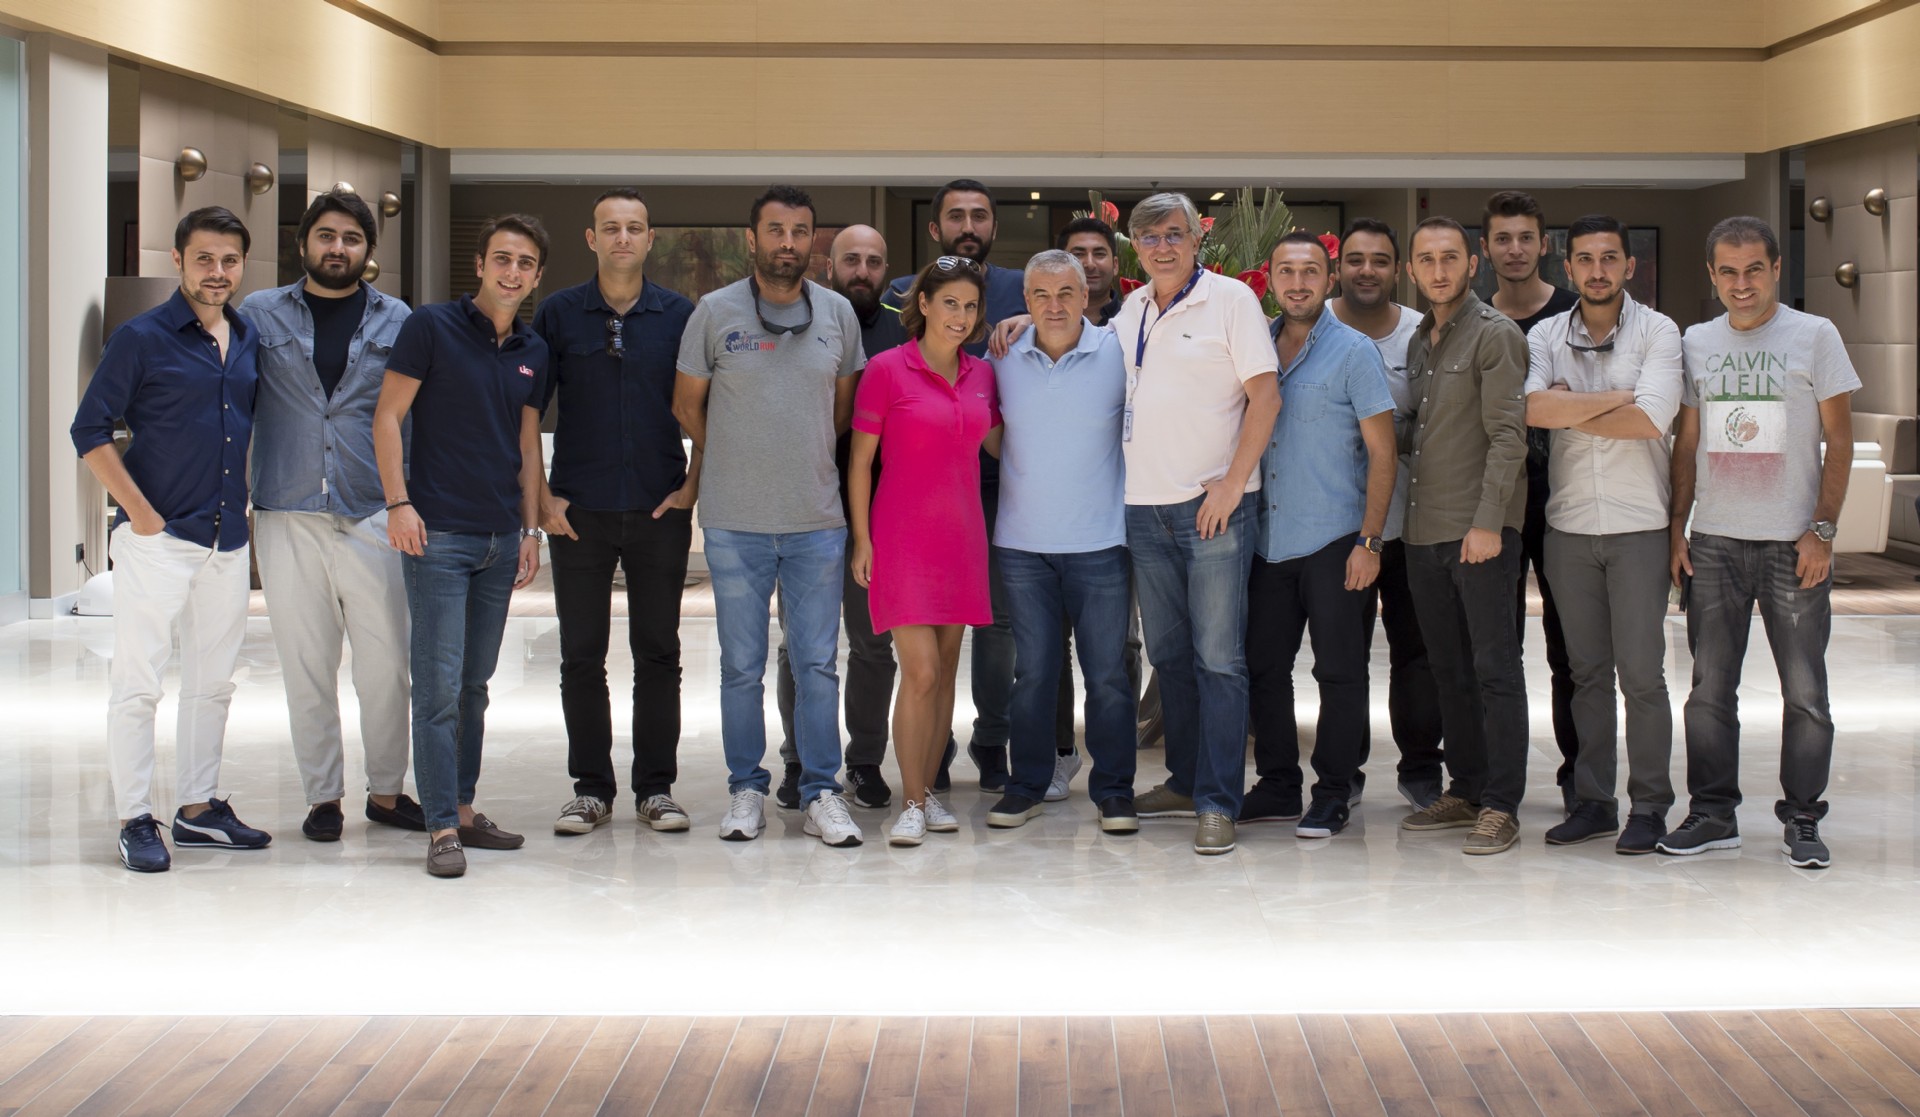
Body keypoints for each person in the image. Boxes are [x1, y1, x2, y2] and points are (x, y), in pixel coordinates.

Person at [72, 206, 269, 872]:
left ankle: (197, 810)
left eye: (230, 261)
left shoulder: (247, 336)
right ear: (179, 260)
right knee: (139, 685)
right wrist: (140, 513)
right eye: (204, 258)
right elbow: (89, 430)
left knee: (213, 684)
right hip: (158, 539)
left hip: (227, 538)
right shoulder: (141, 338)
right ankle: (134, 817)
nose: (218, 272)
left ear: (242, 266)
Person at [1663, 216, 1859, 869]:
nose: (1741, 283)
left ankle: (1802, 817)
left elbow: (1840, 440)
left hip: (1792, 545)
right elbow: (1687, 443)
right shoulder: (1696, 341)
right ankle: (1713, 813)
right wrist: (1678, 528)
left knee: (1805, 693)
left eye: (1754, 269)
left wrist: (1822, 531)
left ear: (1776, 269)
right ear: (1712, 275)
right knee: (1708, 691)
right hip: (1715, 543)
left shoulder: (1815, 335)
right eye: (1728, 271)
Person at [672, 185, 866, 848]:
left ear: (813, 241)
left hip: (817, 519)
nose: (788, 242)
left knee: (817, 664)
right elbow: (686, 404)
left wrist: (794, 453)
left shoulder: (838, 312)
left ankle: (820, 792)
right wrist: (736, 453)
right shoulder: (714, 311)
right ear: (751, 239)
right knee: (741, 666)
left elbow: (841, 409)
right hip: (735, 521)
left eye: (800, 231)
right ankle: (746, 789)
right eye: (776, 230)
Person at [374, 214, 551, 878]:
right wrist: (399, 503)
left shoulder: (534, 349)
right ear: (479, 265)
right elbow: (387, 416)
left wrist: (530, 530)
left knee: (474, 685)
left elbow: (527, 446)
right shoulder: (431, 327)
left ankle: (465, 808)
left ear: (537, 275)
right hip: (439, 536)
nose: (512, 272)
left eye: (525, 263)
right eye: (502, 258)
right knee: (438, 689)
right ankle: (440, 825)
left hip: (501, 538)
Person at [242, 189, 421, 844]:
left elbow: (411, 418)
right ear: (303, 244)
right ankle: (322, 797)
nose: (337, 248)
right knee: (306, 664)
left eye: (351, 238)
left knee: (387, 664)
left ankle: (387, 791)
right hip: (287, 509)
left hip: (373, 509)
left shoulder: (398, 319)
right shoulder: (259, 314)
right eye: (326, 235)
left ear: (368, 250)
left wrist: (409, 501)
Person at [1113, 192, 1280, 856]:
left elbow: (1266, 396)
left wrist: (1234, 483)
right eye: (1149, 237)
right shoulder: (1131, 309)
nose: (1162, 247)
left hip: (1213, 511)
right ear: (1135, 247)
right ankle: (1184, 782)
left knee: (1219, 659)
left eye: (1174, 234)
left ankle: (1217, 800)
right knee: (1171, 657)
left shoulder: (1231, 300)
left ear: (1195, 240)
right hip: (1142, 510)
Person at [533, 188, 698, 837]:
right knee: (581, 655)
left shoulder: (680, 315)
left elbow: (706, 408)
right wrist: (540, 496)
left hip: (659, 506)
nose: (622, 237)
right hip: (579, 509)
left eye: (633, 228)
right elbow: (527, 411)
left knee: (658, 652)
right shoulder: (559, 313)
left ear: (650, 239)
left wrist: (692, 486)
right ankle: (591, 790)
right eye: (611, 228)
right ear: (591, 238)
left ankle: (656, 789)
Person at [1524, 214, 1684, 854]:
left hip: (1639, 525)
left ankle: (1649, 806)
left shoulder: (1659, 331)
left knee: (1642, 676)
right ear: (1568, 268)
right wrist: (1619, 397)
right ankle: (1594, 802)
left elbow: (1651, 421)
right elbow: (1532, 408)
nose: (1597, 271)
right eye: (1585, 260)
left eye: (1609, 258)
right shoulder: (1544, 334)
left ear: (1628, 266)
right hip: (1567, 529)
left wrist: (1573, 406)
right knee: (1586, 673)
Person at [883, 179, 1045, 795]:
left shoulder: (1020, 288)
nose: (968, 225)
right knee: (922, 643)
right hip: (922, 492)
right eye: (956, 216)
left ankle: (992, 742)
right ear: (935, 229)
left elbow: (1066, 320)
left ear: (994, 227)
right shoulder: (905, 292)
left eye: (980, 215)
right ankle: (929, 756)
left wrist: (1030, 316)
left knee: (997, 627)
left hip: (1000, 486)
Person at [1241, 232, 1397, 839]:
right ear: (1270, 280)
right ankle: (1278, 784)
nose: (1298, 283)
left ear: (1329, 280)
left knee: (1339, 672)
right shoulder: (1253, 345)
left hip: (1336, 539)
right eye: (1287, 272)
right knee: (1264, 669)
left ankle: (1334, 790)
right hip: (1266, 540)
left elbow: (1384, 453)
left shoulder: (1355, 351)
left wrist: (1370, 542)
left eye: (1310, 271)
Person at [850, 257, 999, 845]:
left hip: (963, 540)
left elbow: (1003, 444)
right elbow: (860, 463)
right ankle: (911, 802)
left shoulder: (983, 374)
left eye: (970, 306)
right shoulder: (887, 369)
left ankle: (928, 792)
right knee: (921, 672)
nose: (960, 316)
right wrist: (863, 539)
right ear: (925, 305)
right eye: (950, 303)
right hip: (901, 540)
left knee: (945, 676)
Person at [987, 250, 1136, 833]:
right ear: (1026, 301)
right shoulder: (1001, 356)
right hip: (1023, 544)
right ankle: (1025, 786)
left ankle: (1114, 792)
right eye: (1042, 295)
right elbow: (991, 434)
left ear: (1086, 296)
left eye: (1066, 293)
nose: (1054, 306)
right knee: (1033, 674)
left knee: (1107, 676)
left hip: (1100, 542)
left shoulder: (1117, 352)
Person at [1397, 216, 1531, 856]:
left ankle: (1501, 804)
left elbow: (1509, 436)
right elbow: (1419, 432)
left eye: (1450, 257)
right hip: (1423, 532)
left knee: (1495, 671)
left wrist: (1488, 522)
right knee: (1448, 670)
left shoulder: (1495, 334)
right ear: (1412, 271)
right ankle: (1467, 788)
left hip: (1478, 535)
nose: (1439, 270)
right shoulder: (1420, 339)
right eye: (1427, 260)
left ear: (1472, 264)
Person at [772, 224, 907, 813]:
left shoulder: (905, 331)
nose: (862, 271)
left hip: (880, 516)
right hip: (807, 507)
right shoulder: (801, 321)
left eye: (874, 262)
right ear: (829, 265)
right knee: (801, 647)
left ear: (886, 271)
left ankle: (865, 761)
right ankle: (799, 759)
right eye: (851, 259)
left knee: (874, 647)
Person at [1328, 218, 1445, 810]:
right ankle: (1342, 773)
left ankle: (1421, 768)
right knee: (1343, 660)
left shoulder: (1423, 335)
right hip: (1333, 530)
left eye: (1379, 260)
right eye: (1355, 259)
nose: (1366, 270)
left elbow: (1441, 425)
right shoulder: (1311, 327)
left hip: (1409, 527)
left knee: (1416, 655)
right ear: (1338, 268)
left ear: (1397, 270)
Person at [1482, 190, 1582, 811]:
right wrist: (1546, 402)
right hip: (1494, 505)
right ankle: (1494, 786)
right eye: (1503, 239)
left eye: (1525, 238)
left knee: (1570, 650)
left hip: (1566, 501)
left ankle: (1579, 779)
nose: (1515, 249)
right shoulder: (1472, 319)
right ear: (1486, 249)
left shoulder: (1575, 315)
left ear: (1544, 245)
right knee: (1496, 650)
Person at [1059, 216, 1124, 327]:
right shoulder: (1042, 320)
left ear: (1115, 265)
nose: (1090, 264)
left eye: (1099, 254)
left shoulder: (1136, 318)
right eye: (1078, 254)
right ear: (1060, 264)